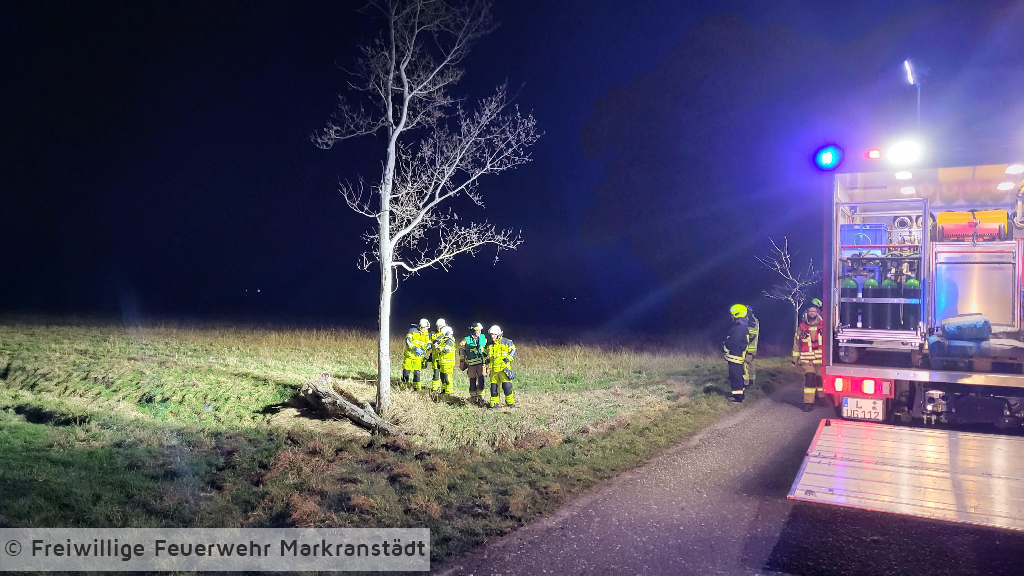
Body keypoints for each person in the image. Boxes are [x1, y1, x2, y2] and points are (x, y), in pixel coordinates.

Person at [793, 304, 826, 411]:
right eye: (810, 311)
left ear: (817, 313)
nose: (812, 313)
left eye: (814, 311)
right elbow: (796, 344)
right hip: (808, 361)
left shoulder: (824, 327)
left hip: (821, 360)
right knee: (810, 380)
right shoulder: (801, 328)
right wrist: (794, 359)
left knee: (821, 380)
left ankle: (821, 398)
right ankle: (808, 403)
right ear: (807, 313)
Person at [723, 304, 751, 402]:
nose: (731, 316)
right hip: (737, 355)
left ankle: (737, 397)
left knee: (735, 376)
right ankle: (739, 393)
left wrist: (725, 347)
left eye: (733, 314)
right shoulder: (742, 327)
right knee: (738, 375)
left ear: (737, 314)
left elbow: (733, 341)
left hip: (735, 355)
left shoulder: (740, 328)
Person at [485, 325, 517, 409]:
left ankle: (510, 403)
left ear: (499, 334)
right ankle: (494, 404)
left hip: (504, 369)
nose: (492, 336)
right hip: (493, 370)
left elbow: (513, 351)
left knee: (507, 387)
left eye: (494, 334)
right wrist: (486, 360)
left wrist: (508, 359)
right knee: (494, 389)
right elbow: (484, 354)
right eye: (491, 334)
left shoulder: (507, 342)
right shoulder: (489, 344)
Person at [460, 322, 489, 405]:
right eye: (477, 330)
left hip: (481, 364)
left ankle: (481, 397)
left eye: (480, 330)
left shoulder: (483, 338)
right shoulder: (466, 340)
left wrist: (487, 359)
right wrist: (462, 360)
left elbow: (488, 349)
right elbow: (461, 349)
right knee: (472, 381)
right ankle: (473, 398)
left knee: (481, 380)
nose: (479, 332)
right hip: (471, 365)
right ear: (473, 330)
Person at [402, 318, 431, 391]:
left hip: (418, 358)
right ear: (420, 326)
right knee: (406, 372)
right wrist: (415, 348)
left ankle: (417, 389)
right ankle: (403, 388)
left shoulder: (427, 334)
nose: (426, 329)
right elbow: (408, 341)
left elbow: (429, 344)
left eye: (427, 328)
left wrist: (424, 350)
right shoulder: (412, 330)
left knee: (417, 373)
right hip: (409, 356)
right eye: (424, 328)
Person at [433, 325, 458, 395]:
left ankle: (448, 393)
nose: (442, 335)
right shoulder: (443, 340)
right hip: (442, 362)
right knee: (442, 377)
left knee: (447, 378)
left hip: (448, 363)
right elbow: (437, 342)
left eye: (443, 333)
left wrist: (438, 347)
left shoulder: (450, 341)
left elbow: (446, 350)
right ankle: (443, 391)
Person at [429, 318, 447, 393]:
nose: (438, 327)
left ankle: (444, 390)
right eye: (438, 326)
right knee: (436, 374)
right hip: (435, 357)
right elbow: (429, 342)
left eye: (440, 326)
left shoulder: (446, 333)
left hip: (443, 358)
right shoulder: (432, 333)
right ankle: (435, 389)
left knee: (444, 375)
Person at [744, 305, 759, 388]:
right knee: (750, 363)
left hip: (749, 347)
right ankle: (751, 379)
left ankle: (746, 382)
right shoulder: (751, 320)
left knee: (744, 363)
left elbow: (751, 335)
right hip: (750, 347)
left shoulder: (752, 321)